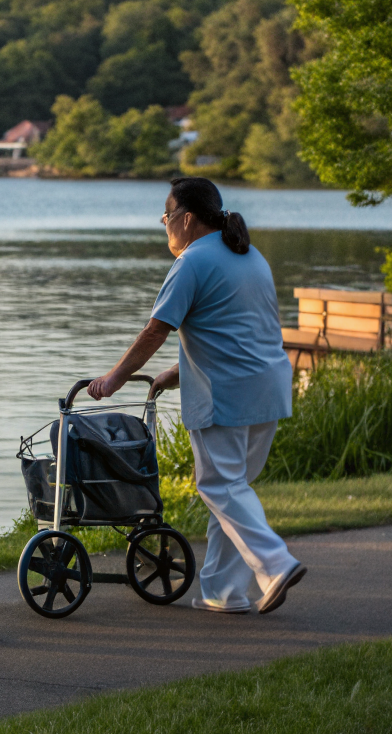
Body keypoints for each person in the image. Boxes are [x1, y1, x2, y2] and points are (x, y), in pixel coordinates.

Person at [86, 176, 306, 615]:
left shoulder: (192, 261)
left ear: (186, 220)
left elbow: (156, 331)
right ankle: (225, 593)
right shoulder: (250, 256)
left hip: (227, 394)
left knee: (219, 486)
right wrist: (176, 373)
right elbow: (237, 330)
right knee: (233, 489)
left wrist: (112, 379)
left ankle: (275, 563)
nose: (165, 225)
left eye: (166, 217)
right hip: (268, 389)